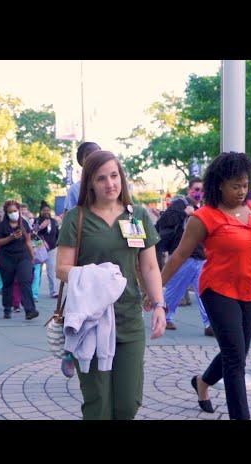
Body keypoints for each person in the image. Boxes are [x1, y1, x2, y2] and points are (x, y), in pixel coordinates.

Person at [161, 152, 251, 420]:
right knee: (235, 360)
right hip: (218, 290)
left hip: (249, 289)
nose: (242, 191)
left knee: (237, 351)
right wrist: (155, 291)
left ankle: (202, 382)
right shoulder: (205, 217)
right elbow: (179, 255)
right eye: (236, 186)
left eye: (245, 185)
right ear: (219, 184)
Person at [56, 150, 166, 420]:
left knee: (127, 404)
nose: (110, 184)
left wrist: (160, 304)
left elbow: (149, 266)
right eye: (101, 178)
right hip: (90, 322)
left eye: (114, 176)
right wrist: (97, 276)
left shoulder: (136, 216)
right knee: (98, 405)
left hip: (128, 320)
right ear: (90, 183)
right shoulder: (77, 218)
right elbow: (61, 268)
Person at [156, 177, 212, 335]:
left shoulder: (204, 208)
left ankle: (210, 324)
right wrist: (183, 213)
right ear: (189, 190)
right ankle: (164, 317)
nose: (199, 193)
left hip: (200, 257)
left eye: (202, 190)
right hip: (182, 256)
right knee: (174, 290)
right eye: (196, 189)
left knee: (204, 292)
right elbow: (165, 221)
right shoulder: (180, 204)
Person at [0, 200, 39, 320]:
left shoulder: (24, 223)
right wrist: (11, 237)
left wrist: (32, 257)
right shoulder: (2, 226)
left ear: (19, 211)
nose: (13, 213)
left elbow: (28, 241)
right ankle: (7, 308)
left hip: (23, 256)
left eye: (15, 211)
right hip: (6, 258)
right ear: (6, 213)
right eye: (10, 212)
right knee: (8, 283)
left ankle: (30, 310)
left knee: (25, 281)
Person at [63, 141, 101, 212]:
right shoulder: (75, 190)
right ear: (81, 161)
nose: (95, 158)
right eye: (89, 155)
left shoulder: (112, 185)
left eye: (98, 154)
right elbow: (67, 219)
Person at [34, 201, 60, 298]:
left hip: (52, 249)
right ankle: (34, 292)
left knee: (51, 271)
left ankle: (54, 291)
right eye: (44, 210)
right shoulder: (37, 220)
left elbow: (57, 234)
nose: (46, 212)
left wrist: (57, 244)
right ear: (41, 211)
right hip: (40, 249)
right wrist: (41, 226)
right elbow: (33, 233)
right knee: (37, 271)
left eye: (48, 210)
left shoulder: (53, 221)